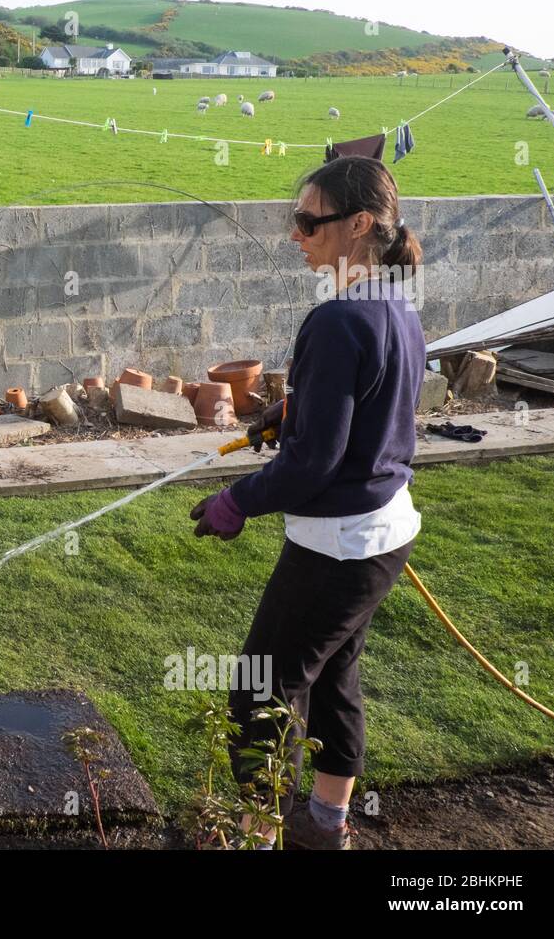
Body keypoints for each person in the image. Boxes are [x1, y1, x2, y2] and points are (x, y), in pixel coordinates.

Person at [189, 155, 427, 850]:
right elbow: (363, 408)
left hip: (340, 546)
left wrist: (237, 501)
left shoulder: (335, 319)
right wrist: (290, 414)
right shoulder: (395, 305)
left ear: (358, 225)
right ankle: (326, 828)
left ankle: (259, 838)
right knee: (332, 681)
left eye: (307, 222)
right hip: (385, 533)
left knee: (262, 692)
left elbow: (314, 465)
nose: (296, 235)